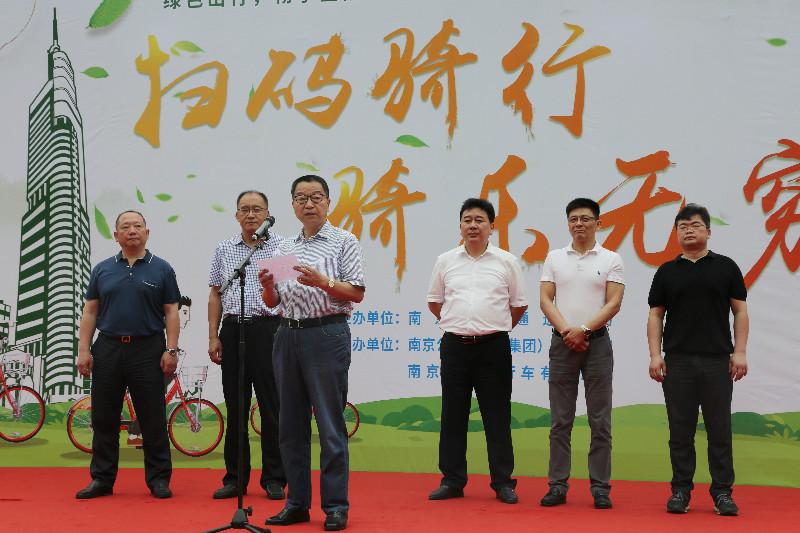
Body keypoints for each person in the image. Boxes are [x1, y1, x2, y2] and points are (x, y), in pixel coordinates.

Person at [259, 175, 365, 532]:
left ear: (328, 202)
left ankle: (335, 506)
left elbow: (356, 292)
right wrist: (267, 287)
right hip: (287, 334)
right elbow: (273, 302)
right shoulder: (283, 246)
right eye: (301, 198)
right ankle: (297, 504)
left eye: (316, 197)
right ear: (292, 205)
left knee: (330, 425)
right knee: (290, 426)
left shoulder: (344, 241)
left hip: (326, 333)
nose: (309, 204)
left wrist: (324, 282)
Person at [647, 203, 749, 516]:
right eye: (683, 226)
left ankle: (723, 493)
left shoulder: (726, 267)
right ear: (676, 234)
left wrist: (740, 352)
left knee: (720, 430)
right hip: (677, 361)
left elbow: (740, 311)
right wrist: (655, 355)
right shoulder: (667, 272)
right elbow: (655, 315)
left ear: (708, 231)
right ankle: (680, 491)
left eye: (695, 225)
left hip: (717, 361)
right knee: (680, 431)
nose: (689, 231)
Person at [425, 198, 528, 505]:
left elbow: (518, 305)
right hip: (455, 347)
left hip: (493, 347)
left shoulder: (506, 261)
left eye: (479, 220)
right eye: (467, 220)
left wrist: (492, 326)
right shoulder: (446, 260)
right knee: (452, 415)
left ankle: (503, 482)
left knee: (497, 415)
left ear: (492, 226)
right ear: (460, 225)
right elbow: (434, 301)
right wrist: (459, 323)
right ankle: (452, 480)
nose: (473, 225)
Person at [75, 210, 181, 499]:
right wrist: (83, 349)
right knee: (104, 417)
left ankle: (159, 479)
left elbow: (171, 311)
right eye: (125, 227)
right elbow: (90, 311)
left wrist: (171, 349)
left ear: (147, 232)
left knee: (152, 417)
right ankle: (102, 479)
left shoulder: (162, 269)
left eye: (137, 226)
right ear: (116, 235)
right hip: (108, 348)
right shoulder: (102, 270)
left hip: (148, 349)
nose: (132, 230)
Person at [539, 198, 625, 509]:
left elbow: (613, 303)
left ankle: (600, 488)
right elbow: (546, 300)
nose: (579, 224)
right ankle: (557, 485)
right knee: (560, 421)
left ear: (598, 223)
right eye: (573, 218)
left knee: (600, 421)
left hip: (597, 345)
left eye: (586, 218)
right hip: (562, 344)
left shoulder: (611, 258)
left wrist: (584, 330)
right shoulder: (554, 257)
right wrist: (567, 332)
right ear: (567, 223)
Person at [208, 190, 286, 500]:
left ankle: (275, 478)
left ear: (267, 214)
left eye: (257, 209)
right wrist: (213, 335)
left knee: (272, 408)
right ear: (236, 215)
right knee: (236, 408)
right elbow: (215, 294)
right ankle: (235, 479)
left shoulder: (282, 247)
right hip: (233, 330)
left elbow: (288, 294)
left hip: (269, 330)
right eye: (245, 209)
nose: (251, 214)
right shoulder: (224, 249)